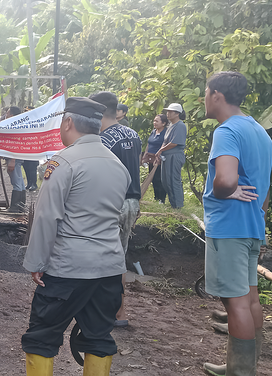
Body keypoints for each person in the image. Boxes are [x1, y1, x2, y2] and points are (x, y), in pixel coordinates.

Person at [22, 97, 128, 376]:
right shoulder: (118, 165)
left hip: (68, 269)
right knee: (98, 337)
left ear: (68, 122)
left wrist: (36, 263)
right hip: (109, 269)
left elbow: (47, 217)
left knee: (41, 336)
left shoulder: (63, 163)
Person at [201, 71, 272, 376]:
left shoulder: (227, 131)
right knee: (250, 298)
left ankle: (240, 372)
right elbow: (265, 191)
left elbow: (225, 180)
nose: (204, 99)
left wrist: (225, 190)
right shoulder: (260, 131)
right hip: (252, 225)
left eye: (206, 93)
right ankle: (242, 365)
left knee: (235, 303)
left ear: (217, 95)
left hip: (229, 227)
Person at [90, 91, 142, 328]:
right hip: (132, 201)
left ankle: (101, 310)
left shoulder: (103, 140)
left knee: (103, 258)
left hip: (113, 202)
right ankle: (120, 312)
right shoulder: (133, 134)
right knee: (119, 258)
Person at [155, 103, 187, 209]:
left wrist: (161, 150)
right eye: (167, 111)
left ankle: (178, 205)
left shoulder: (180, 125)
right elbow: (165, 141)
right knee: (166, 181)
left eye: (170, 111)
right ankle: (173, 203)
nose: (167, 113)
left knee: (173, 180)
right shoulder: (170, 125)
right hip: (167, 156)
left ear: (177, 113)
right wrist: (160, 152)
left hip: (175, 156)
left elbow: (174, 143)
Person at [4, 106, 26, 213]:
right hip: (17, 157)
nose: (6, 115)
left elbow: (15, 144)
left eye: (7, 113)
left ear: (12, 115)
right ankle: (21, 205)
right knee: (19, 181)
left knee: (16, 182)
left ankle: (15, 207)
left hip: (14, 157)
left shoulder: (14, 127)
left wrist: (12, 160)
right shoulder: (17, 125)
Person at [142, 114, 168, 203]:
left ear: (163, 123)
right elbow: (149, 144)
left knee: (159, 178)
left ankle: (162, 199)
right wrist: (145, 155)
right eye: (154, 121)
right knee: (152, 178)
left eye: (157, 121)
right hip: (151, 158)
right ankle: (156, 197)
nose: (154, 123)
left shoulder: (166, 133)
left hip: (160, 159)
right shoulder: (153, 132)